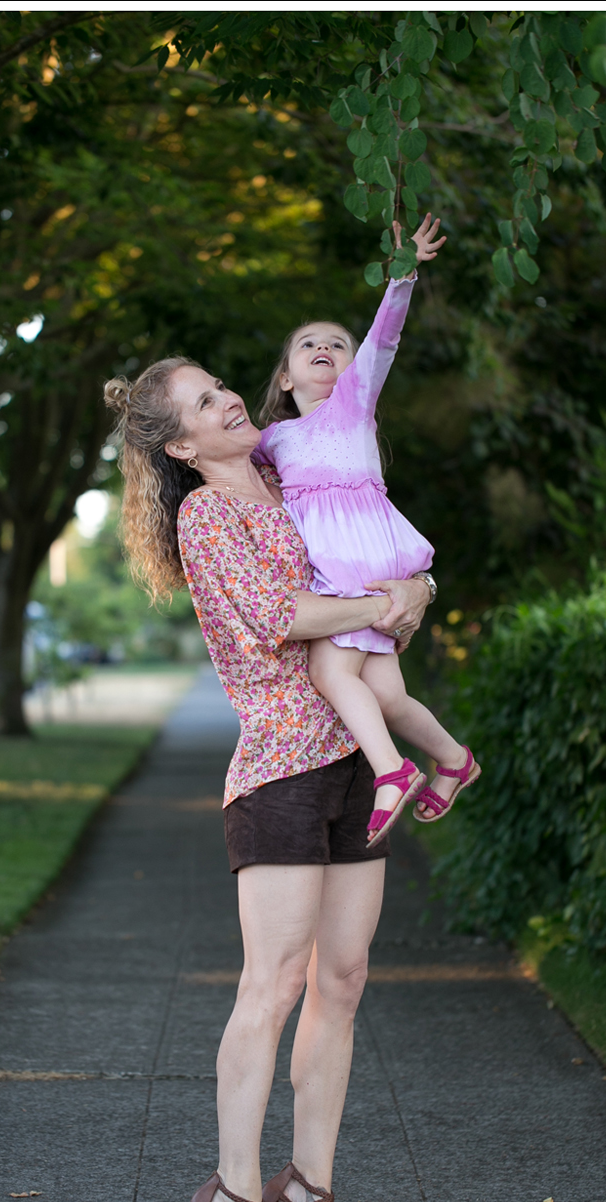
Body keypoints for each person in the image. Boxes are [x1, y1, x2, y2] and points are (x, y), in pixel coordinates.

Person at [104, 355, 431, 1202]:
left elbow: (386, 553)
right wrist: (387, 601)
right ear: (181, 444)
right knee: (276, 983)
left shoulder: (300, 476)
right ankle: (237, 1194)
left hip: (356, 763)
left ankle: (309, 1191)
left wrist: (418, 589)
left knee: (346, 977)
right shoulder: (208, 517)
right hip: (283, 771)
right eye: (204, 402)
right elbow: (281, 615)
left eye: (221, 385)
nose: (229, 399)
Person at [256, 214, 480, 838]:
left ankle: (390, 771)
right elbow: (233, 470)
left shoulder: (352, 407)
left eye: (338, 344)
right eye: (309, 344)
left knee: (329, 674)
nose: (325, 347)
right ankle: (455, 760)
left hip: (357, 566)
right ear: (285, 376)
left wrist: (402, 274)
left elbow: (383, 339)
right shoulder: (274, 438)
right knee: (385, 696)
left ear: (353, 370)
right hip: (350, 570)